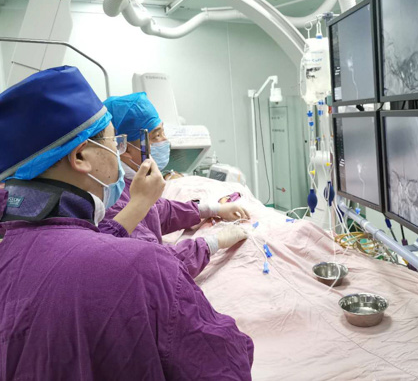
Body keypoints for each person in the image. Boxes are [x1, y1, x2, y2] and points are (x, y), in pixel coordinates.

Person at [0, 66, 253, 380]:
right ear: (81, 157)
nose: (118, 152)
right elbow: (223, 362)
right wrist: (212, 242)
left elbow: (104, 239)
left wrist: (208, 208)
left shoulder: (12, 250)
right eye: (113, 142)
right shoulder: (144, 267)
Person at [101, 93, 249, 278]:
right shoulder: (115, 202)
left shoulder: (132, 183)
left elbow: (160, 212)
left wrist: (213, 209)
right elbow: (159, 267)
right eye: (156, 135)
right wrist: (214, 242)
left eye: (163, 132)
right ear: (124, 149)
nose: (165, 141)